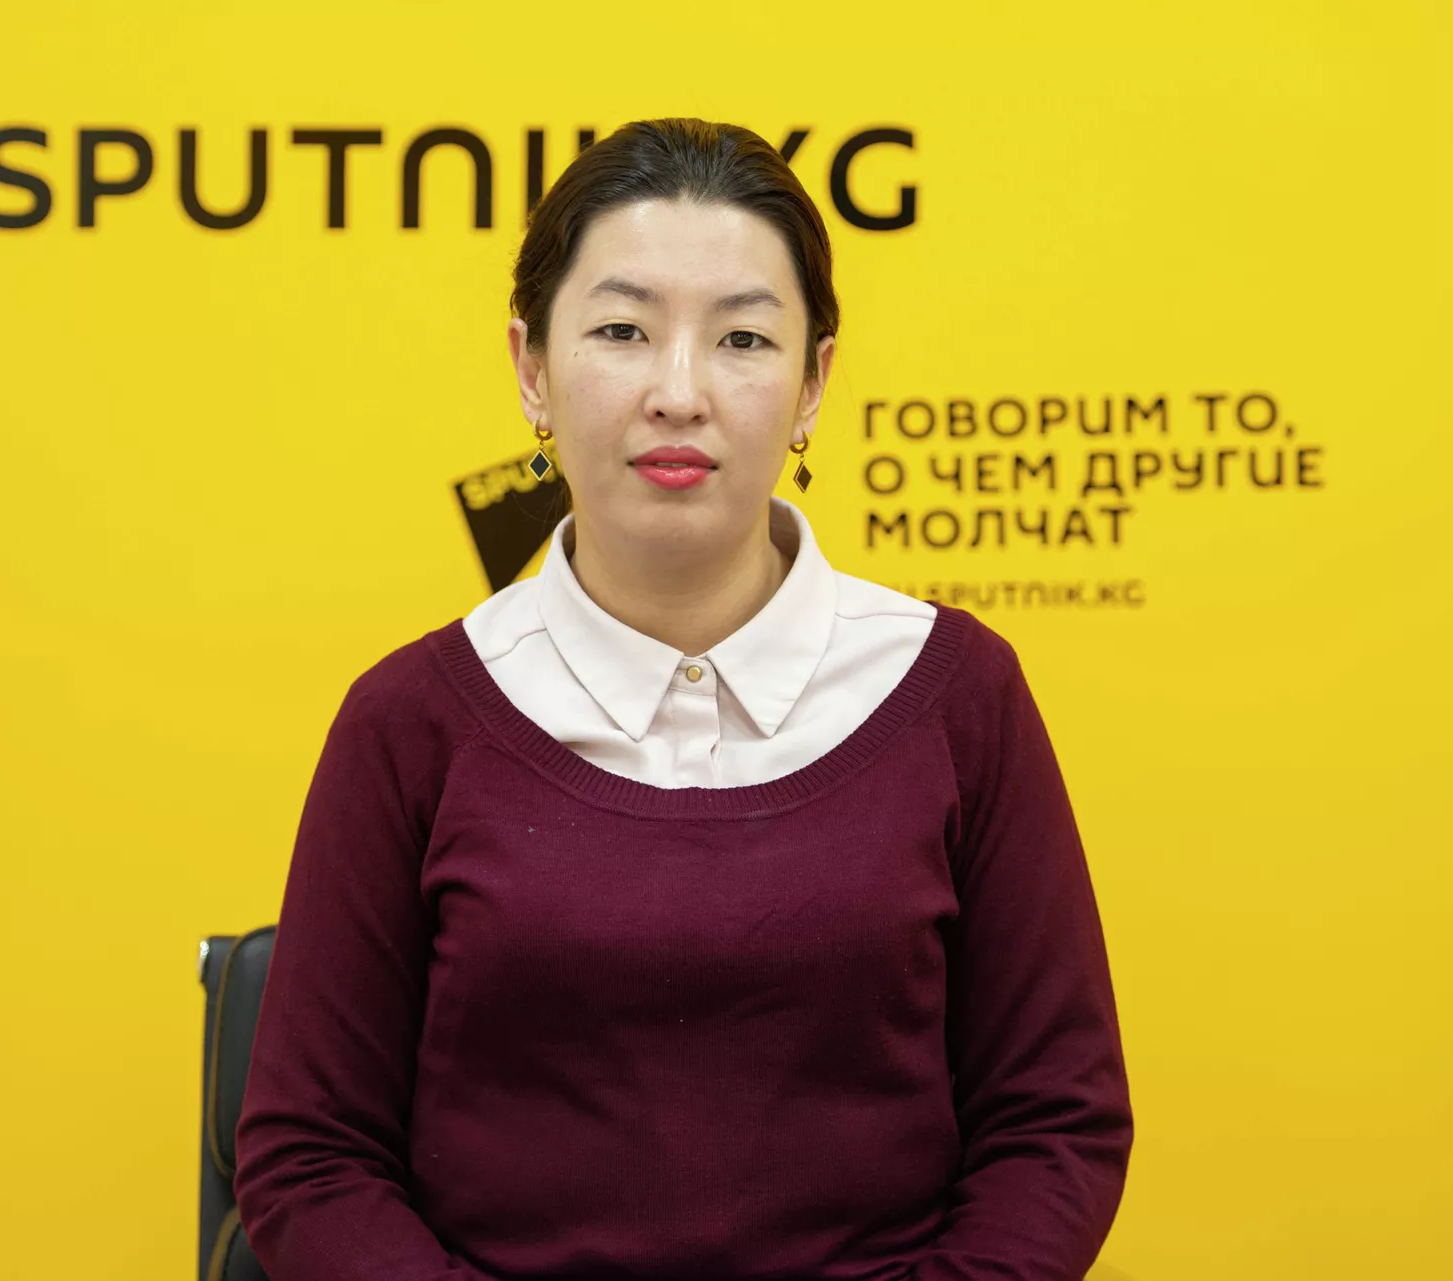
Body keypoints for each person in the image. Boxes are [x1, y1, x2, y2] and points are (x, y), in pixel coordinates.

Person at [233, 117, 1132, 1281]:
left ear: (812, 385)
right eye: (622, 330)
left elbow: (1055, 1128)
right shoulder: (413, 719)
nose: (678, 392)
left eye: (743, 338)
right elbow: (311, 1159)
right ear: (531, 370)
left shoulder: (955, 692)